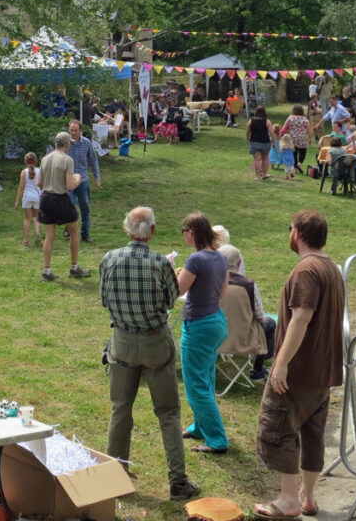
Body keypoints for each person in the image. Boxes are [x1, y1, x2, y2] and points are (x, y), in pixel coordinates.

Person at [100, 206, 200, 501]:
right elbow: (172, 299)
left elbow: (104, 298)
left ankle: (114, 475)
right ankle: (178, 481)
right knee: (168, 413)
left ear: (126, 228)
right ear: (152, 231)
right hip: (155, 342)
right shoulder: (159, 263)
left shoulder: (110, 259)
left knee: (121, 409)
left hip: (122, 342)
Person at [254, 210, 344, 521]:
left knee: (277, 430)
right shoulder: (331, 267)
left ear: (299, 234)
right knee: (312, 434)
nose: (289, 233)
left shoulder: (306, 271)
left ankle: (289, 500)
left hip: (299, 372)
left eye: (290, 228)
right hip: (321, 372)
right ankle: (307, 498)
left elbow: (301, 319)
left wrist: (280, 363)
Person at [176, 212, 230, 455]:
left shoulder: (195, 259)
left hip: (198, 326)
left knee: (196, 385)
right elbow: (221, 292)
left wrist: (172, 271)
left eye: (184, 230)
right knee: (205, 377)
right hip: (216, 321)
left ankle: (217, 439)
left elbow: (177, 290)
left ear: (192, 232)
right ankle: (200, 426)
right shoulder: (220, 257)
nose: (184, 235)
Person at [36, 132, 89, 281]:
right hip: (60, 198)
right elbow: (70, 186)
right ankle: (74, 267)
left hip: (45, 198)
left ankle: (46, 271)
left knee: (49, 235)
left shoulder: (45, 159)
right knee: (74, 231)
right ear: (67, 145)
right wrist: (78, 178)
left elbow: (39, 183)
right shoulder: (67, 160)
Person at [220, 246, 276, 380]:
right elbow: (260, 317)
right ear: (239, 263)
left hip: (215, 337)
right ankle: (257, 369)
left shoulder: (210, 283)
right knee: (270, 323)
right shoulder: (249, 285)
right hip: (243, 337)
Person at [67, 120, 101, 243]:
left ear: (80, 131)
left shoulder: (86, 143)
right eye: (71, 130)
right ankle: (68, 227)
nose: (73, 133)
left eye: (76, 130)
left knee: (84, 207)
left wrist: (97, 177)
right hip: (68, 179)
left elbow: (93, 160)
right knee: (69, 205)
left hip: (83, 179)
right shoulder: (65, 144)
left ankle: (85, 233)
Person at [14, 152, 42, 246]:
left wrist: (17, 201)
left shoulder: (24, 172)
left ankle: (26, 240)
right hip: (37, 197)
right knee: (36, 217)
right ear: (36, 161)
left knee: (27, 218)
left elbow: (21, 187)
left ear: (26, 162)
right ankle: (37, 232)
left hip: (27, 197)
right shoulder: (40, 171)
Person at [246, 106, 276, 181]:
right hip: (265, 142)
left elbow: (247, 131)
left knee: (257, 160)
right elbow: (271, 133)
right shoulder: (267, 121)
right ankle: (265, 174)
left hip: (254, 141)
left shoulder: (251, 121)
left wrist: (247, 137)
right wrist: (273, 142)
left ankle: (258, 176)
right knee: (265, 159)